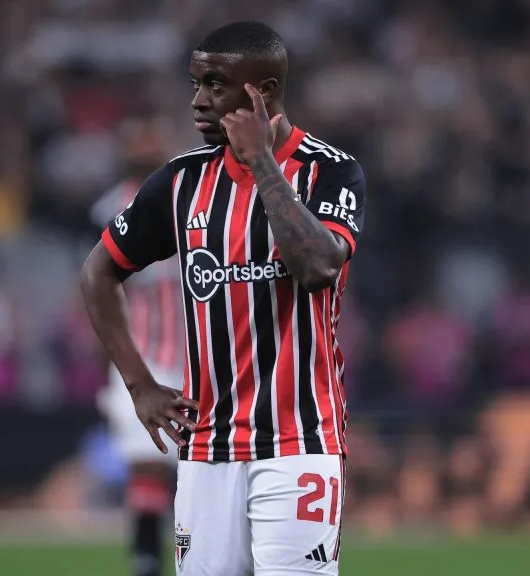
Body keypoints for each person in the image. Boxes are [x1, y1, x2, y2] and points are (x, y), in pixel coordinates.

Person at [80, 21, 365, 576]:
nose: (197, 100)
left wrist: (261, 162)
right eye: (195, 83)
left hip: (299, 441)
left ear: (263, 91)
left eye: (214, 84)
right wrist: (139, 385)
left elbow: (318, 268)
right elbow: (98, 272)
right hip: (207, 448)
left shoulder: (330, 171)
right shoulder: (180, 181)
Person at [89, 116, 185, 576]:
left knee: (203, 467)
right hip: (142, 356)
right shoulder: (109, 209)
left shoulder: (193, 198)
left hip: (201, 357)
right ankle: (147, 558)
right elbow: (96, 288)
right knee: (149, 460)